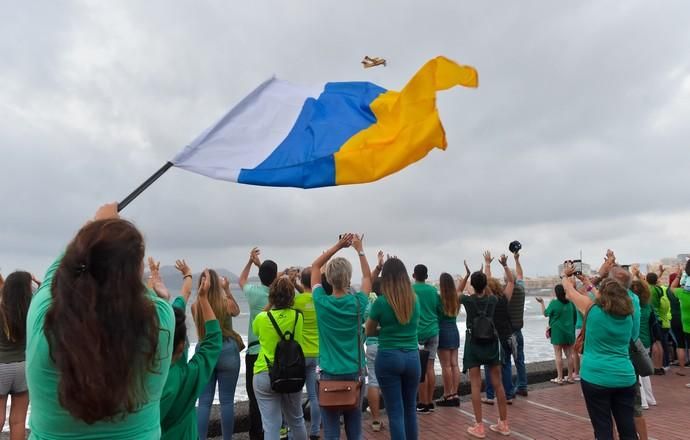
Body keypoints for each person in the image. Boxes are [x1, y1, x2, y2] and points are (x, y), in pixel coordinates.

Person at [26, 203, 175, 438]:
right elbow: (137, 294)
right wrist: (106, 231)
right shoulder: (162, 320)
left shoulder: (43, 320)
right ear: (134, 274)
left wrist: (94, 228)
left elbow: (55, 276)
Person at [561, 275, 637, 440]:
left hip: (596, 377)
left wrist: (566, 278)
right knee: (627, 426)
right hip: (625, 377)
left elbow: (571, 293)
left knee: (602, 427)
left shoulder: (592, 310)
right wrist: (589, 284)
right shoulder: (629, 316)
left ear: (602, 295)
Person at [311, 234, 371, 440]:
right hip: (355, 371)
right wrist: (359, 249)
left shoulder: (321, 302)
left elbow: (315, 266)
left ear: (328, 279)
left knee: (330, 431)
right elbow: (367, 279)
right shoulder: (358, 303)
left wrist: (338, 246)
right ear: (348, 278)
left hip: (328, 372)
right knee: (355, 429)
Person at [158, 261, 223, 440]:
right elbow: (213, 341)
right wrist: (202, 296)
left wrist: (154, 293)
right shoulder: (185, 378)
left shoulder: (138, 379)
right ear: (181, 346)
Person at [366, 257, 420, 440]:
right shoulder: (415, 299)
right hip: (413, 357)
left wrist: (384, 330)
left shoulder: (381, 302)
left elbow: (369, 330)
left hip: (388, 356)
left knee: (395, 412)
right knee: (410, 408)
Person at [253, 277, 307, 440]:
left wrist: (270, 303)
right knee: (297, 420)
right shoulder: (298, 317)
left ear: (272, 296)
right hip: (292, 371)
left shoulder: (262, 319)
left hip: (265, 372)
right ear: (292, 296)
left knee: (271, 425)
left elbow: (256, 330)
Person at [462, 264, 511, 438]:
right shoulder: (493, 300)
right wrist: (484, 276)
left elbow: (457, 294)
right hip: (491, 342)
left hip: (473, 343)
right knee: (498, 383)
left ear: (473, 286)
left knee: (475, 384)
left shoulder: (468, 300)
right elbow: (489, 291)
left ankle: (479, 426)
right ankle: (504, 424)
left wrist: (467, 277)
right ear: (486, 284)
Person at [194, 268, 242, 440]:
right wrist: (228, 289)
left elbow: (201, 331)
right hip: (227, 351)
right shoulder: (225, 303)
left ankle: (201, 438)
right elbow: (236, 311)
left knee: (204, 401)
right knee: (227, 401)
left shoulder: (195, 306)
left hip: (206, 351)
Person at [240, 247, 279, 440]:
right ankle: (277, 431)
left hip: (254, 352)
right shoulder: (279, 296)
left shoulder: (254, 294)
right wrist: (259, 264)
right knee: (276, 395)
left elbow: (241, 280)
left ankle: (257, 434)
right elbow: (278, 280)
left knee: (254, 398)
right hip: (274, 352)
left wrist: (250, 262)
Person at [0, 271, 37, 440]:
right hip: (24, 367)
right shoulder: (31, 308)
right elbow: (52, 293)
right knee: (18, 421)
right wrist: (37, 281)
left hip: (1, 368)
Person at [482, 253, 515, 405]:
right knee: (506, 365)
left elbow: (486, 282)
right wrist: (505, 265)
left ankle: (490, 395)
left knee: (490, 367)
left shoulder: (489, 299)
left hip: (494, 337)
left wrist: (487, 264)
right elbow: (511, 281)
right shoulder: (504, 298)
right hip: (507, 335)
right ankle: (508, 395)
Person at [293, 267, 321, 439]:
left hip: (299, 354)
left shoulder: (297, 301)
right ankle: (315, 431)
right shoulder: (320, 300)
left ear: (302, 282)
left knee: (295, 396)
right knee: (314, 396)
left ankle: (295, 429)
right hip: (317, 353)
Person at [435, 264, 469, 407]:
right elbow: (460, 289)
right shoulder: (456, 298)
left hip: (442, 331)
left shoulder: (438, 298)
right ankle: (455, 393)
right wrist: (467, 276)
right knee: (455, 364)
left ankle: (447, 394)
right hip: (454, 331)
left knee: (446, 366)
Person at [412, 263, 440, 414]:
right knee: (430, 367)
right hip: (433, 330)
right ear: (427, 276)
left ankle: (422, 403)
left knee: (420, 370)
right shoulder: (433, 290)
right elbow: (439, 309)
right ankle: (430, 401)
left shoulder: (411, 290)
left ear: (414, 276)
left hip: (416, 333)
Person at [629, 275, 660, 410]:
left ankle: (643, 402)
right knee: (645, 371)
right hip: (646, 340)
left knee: (636, 373)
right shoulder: (648, 306)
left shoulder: (631, 306)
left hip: (635, 340)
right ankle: (650, 398)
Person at [536, 284, 576, 384]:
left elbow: (545, 313)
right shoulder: (571, 303)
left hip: (557, 332)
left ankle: (560, 378)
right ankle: (570, 377)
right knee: (569, 355)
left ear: (556, 293)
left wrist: (541, 302)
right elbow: (574, 318)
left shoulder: (554, 303)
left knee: (558, 355)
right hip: (569, 332)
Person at [364, 251, 385, 431]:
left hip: (371, 345)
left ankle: (376, 420)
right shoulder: (388, 301)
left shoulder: (368, 301)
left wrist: (378, 267)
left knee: (373, 380)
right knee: (389, 381)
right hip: (388, 345)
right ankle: (394, 415)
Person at [507, 251, 528, 397]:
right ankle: (523, 386)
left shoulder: (504, 293)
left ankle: (509, 389)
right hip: (518, 331)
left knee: (506, 362)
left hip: (507, 332)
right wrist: (516, 260)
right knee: (520, 360)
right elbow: (520, 275)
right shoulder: (521, 290)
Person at [646, 268, 672, 371]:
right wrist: (660, 273)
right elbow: (654, 281)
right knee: (662, 343)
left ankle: (656, 365)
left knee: (655, 342)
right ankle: (664, 364)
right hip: (660, 318)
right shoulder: (659, 289)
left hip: (652, 317)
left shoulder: (648, 289)